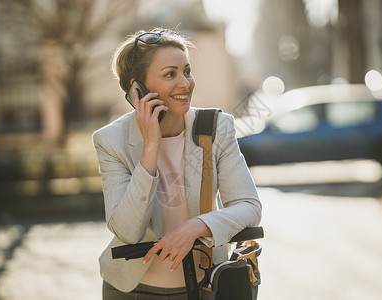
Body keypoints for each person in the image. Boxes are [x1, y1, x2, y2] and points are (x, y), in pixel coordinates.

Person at [92, 28, 262, 299]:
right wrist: (150, 149)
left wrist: (197, 226)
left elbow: (249, 206)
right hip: (132, 289)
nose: (185, 83)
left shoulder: (216, 128)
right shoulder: (111, 141)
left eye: (187, 71)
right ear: (138, 88)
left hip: (205, 287)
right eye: (170, 74)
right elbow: (127, 230)